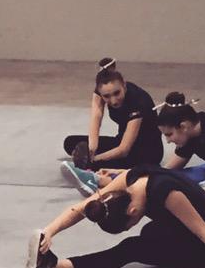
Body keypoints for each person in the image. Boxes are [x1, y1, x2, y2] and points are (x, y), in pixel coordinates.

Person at [26, 164, 205, 268]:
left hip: (204, 243)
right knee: (148, 232)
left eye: (127, 225)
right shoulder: (130, 178)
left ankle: (55, 267)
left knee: (131, 247)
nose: (130, 226)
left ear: (132, 211)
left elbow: (204, 232)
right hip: (178, 227)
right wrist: (49, 230)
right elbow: (83, 207)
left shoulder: (167, 194)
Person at [60, 57, 163, 194]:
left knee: (99, 163)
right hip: (120, 140)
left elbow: (124, 149)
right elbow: (96, 117)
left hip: (145, 151)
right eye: (107, 96)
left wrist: (93, 160)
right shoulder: (100, 92)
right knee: (70, 142)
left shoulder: (138, 101)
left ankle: (92, 177)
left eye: (117, 93)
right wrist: (91, 150)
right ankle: (86, 168)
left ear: (124, 86)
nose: (113, 101)